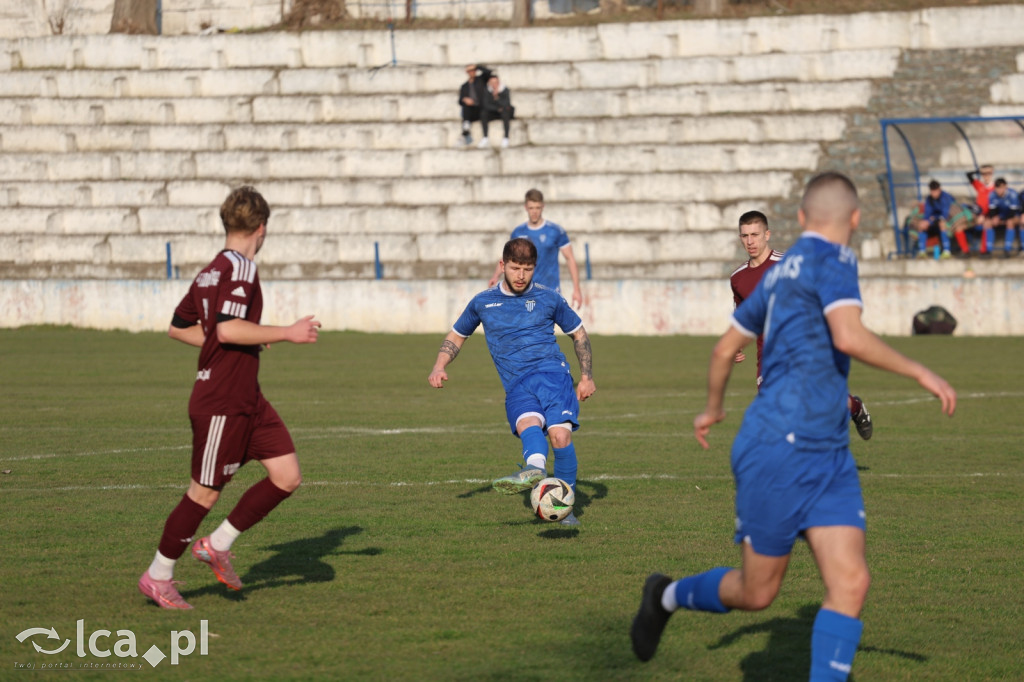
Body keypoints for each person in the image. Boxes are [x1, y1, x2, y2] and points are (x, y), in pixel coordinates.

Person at [630, 172, 957, 680]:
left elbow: (722, 349)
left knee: (851, 581)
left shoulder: (780, 274)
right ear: (854, 220)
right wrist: (919, 369)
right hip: (776, 448)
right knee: (757, 592)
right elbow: (847, 334)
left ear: (800, 220)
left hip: (827, 452)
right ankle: (665, 595)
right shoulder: (836, 258)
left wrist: (713, 407)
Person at [138, 186, 321, 609]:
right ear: (262, 228)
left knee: (286, 476)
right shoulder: (240, 268)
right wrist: (284, 332)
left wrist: (249, 339)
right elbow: (225, 329)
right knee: (203, 493)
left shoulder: (210, 271)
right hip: (221, 400)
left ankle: (217, 546)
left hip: (248, 398)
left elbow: (179, 327)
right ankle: (158, 575)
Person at [429, 237, 595, 526]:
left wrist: (586, 377)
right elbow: (457, 335)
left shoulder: (549, 298)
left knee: (560, 437)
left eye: (528, 269)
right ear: (502, 265)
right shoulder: (483, 302)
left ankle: (566, 508)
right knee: (527, 425)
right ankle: (534, 470)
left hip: (553, 377)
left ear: (535, 268)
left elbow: (578, 333)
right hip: (517, 384)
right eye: (516, 268)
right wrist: (439, 365)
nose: (521, 275)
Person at [730, 210, 873, 440]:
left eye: (755, 235)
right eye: (745, 235)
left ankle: (854, 407)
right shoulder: (738, 278)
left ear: (767, 234)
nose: (750, 241)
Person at [488, 189, 584, 309]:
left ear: (543, 207)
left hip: (550, 291)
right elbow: (507, 258)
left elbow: (570, 259)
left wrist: (577, 289)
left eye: (537, 208)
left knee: (545, 327)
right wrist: (495, 276)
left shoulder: (555, 231)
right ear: (526, 207)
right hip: (524, 291)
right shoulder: (518, 232)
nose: (534, 212)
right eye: (531, 208)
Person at [915, 179, 969, 258]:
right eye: (932, 191)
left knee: (942, 224)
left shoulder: (945, 197)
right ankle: (922, 252)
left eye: (935, 191)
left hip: (951, 220)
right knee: (922, 225)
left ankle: (947, 252)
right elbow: (927, 214)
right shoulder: (929, 199)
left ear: (939, 190)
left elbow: (945, 214)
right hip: (935, 220)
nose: (934, 193)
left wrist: (932, 219)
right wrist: (927, 221)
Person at [983, 178, 1021, 256]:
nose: (999, 190)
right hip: (1001, 216)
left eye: (1001, 187)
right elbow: (992, 209)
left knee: (1010, 222)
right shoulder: (992, 195)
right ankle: (988, 250)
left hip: (1014, 216)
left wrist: (1002, 219)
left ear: (1005, 187)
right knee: (988, 223)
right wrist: (994, 217)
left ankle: (1007, 250)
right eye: (997, 188)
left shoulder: (1012, 194)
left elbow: (1013, 211)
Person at [458, 63, 491, 147]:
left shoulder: (481, 80)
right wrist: (465, 99)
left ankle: (483, 137)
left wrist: (477, 66)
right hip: (470, 110)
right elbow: (460, 101)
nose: (472, 72)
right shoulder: (464, 86)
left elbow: (488, 72)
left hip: (481, 108)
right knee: (465, 106)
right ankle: (466, 128)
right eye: (470, 71)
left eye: (473, 70)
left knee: (482, 113)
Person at [479, 73, 515, 149]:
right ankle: (485, 137)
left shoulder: (505, 90)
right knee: (483, 113)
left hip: (503, 112)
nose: (494, 85)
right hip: (493, 111)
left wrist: (497, 97)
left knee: (505, 113)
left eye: (496, 83)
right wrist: (497, 108)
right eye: (492, 83)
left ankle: (506, 138)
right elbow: (486, 104)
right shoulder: (487, 91)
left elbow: (506, 104)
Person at [966, 164, 995, 254]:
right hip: (978, 213)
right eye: (984, 174)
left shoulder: (995, 187)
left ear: (992, 174)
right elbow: (968, 175)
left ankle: (985, 249)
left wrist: (984, 215)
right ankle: (968, 249)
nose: (986, 176)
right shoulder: (979, 185)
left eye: (988, 174)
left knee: (986, 223)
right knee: (963, 222)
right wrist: (978, 171)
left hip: (989, 214)